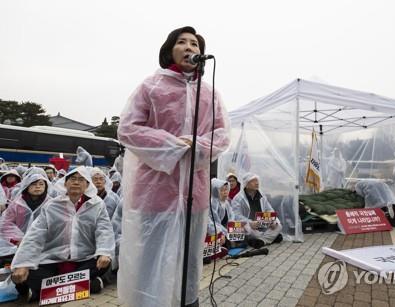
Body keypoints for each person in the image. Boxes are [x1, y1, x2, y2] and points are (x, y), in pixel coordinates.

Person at [116, 26, 230, 307]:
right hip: (154, 194)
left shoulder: (210, 93)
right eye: (182, 42)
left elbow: (222, 135)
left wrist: (197, 145)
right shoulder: (151, 86)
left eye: (195, 43)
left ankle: (188, 301)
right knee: (151, 260)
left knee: (189, 260)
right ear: (170, 50)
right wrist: (172, 145)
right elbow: (128, 129)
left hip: (195, 192)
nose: (190, 47)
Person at [10, 166, 115, 302]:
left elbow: (104, 230)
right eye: (72, 179)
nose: (76, 182)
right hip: (54, 259)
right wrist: (23, 263)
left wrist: (104, 252)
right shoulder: (52, 206)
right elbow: (35, 235)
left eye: (81, 179)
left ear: (87, 184)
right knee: (24, 274)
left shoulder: (97, 205)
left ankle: (41, 292)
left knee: (105, 263)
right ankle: (89, 285)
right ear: (65, 183)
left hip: (84, 258)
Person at [231, 173, 283, 248]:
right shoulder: (238, 198)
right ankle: (270, 238)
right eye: (253, 181)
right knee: (246, 228)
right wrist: (250, 222)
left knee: (278, 225)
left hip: (261, 223)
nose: (257, 183)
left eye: (257, 181)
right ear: (246, 184)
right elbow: (236, 216)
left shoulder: (261, 195)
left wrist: (273, 221)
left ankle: (261, 241)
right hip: (250, 226)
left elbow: (269, 209)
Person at [0, 173, 51, 244]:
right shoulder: (17, 204)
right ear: (27, 186)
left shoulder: (50, 204)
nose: (38, 187)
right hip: (17, 244)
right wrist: (17, 239)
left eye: (41, 184)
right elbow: (6, 223)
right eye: (33, 184)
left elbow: (55, 225)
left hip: (43, 243)